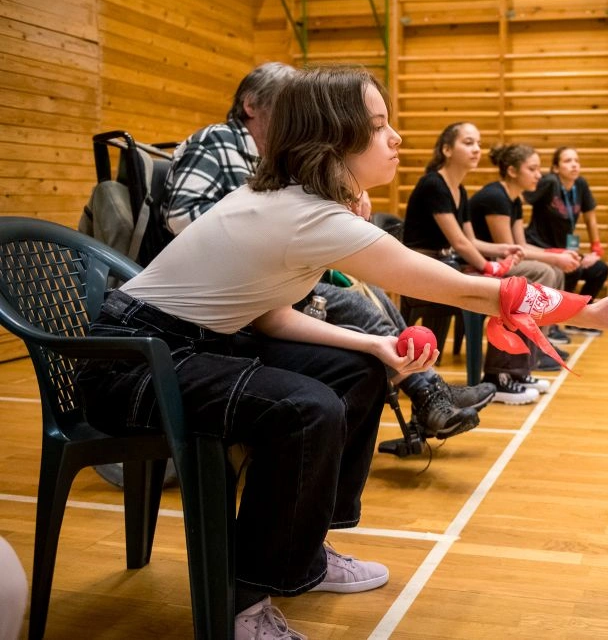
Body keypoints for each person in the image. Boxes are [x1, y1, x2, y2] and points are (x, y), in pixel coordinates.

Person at [76, 67, 608, 637]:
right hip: (132, 363)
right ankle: (243, 600)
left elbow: (269, 315)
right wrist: (587, 311)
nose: (397, 137)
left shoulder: (298, 204)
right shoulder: (304, 215)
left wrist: (374, 343)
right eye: (380, 125)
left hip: (196, 345)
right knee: (305, 408)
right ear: (332, 139)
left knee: (357, 371)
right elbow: (466, 289)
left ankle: (305, 549)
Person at [161, 62, 494, 438]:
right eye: (287, 105)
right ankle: (428, 392)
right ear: (252, 105)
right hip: (210, 301)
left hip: (261, 286)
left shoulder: (282, 177)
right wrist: (257, 233)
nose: (294, 115)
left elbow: (275, 312)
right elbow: (179, 215)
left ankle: (428, 388)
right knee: (351, 311)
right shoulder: (222, 143)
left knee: (368, 303)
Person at [403, 123, 542, 404]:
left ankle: (513, 372)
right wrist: (490, 268)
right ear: (446, 150)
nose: (477, 149)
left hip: (446, 264)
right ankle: (497, 377)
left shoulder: (460, 190)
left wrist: (503, 249)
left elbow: (471, 241)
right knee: (507, 290)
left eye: (478, 143)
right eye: (468, 143)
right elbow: (459, 243)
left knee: (517, 287)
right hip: (424, 267)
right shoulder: (433, 184)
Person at [470, 143, 576, 380]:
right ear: (512, 171)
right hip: (480, 263)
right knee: (546, 272)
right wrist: (553, 257)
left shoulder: (514, 199)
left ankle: (541, 343)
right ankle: (532, 349)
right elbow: (510, 250)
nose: (539, 175)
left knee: (555, 270)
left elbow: (522, 246)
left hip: (501, 259)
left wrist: (557, 255)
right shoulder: (496, 197)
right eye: (532, 169)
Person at [524, 146, 608, 338]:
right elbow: (523, 195)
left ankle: (578, 318)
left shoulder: (580, 185)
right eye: (567, 161)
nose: (574, 165)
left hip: (565, 250)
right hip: (540, 248)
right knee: (572, 269)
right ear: (556, 168)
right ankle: (552, 320)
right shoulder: (549, 183)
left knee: (599, 269)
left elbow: (590, 217)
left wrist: (595, 250)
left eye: (576, 161)